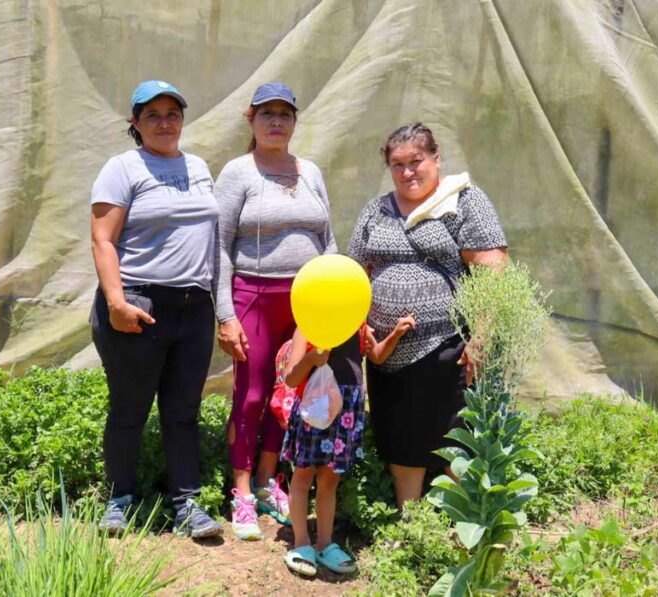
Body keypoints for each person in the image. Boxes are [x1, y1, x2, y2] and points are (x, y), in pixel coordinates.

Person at [347, 122, 508, 508]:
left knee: (453, 432)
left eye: (416, 161)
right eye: (398, 164)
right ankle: (411, 520)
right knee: (400, 432)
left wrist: (483, 333)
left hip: (448, 344)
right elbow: (354, 270)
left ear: (436, 158)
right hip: (386, 351)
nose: (407, 172)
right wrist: (360, 324)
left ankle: (457, 517)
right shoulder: (377, 210)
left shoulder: (463, 201)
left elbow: (493, 268)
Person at [90, 80, 222, 539]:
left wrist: (221, 309)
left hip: (194, 307)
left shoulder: (198, 167)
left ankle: (187, 504)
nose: (165, 123)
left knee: (183, 411)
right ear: (135, 122)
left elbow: (211, 240)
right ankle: (118, 500)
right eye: (153, 115)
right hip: (139, 303)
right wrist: (116, 303)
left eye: (172, 114)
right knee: (129, 408)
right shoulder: (122, 168)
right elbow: (103, 239)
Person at [214, 82, 338, 540]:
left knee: (289, 394)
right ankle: (242, 492)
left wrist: (333, 302)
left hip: (306, 300)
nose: (276, 122)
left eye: (285, 114)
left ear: (294, 121)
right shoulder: (237, 173)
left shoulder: (310, 172)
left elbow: (328, 241)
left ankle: (269, 481)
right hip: (254, 294)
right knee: (250, 393)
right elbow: (218, 247)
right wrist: (225, 314)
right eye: (266, 113)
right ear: (250, 119)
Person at [279, 317, 413, 576]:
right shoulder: (309, 325)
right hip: (315, 410)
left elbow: (376, 355)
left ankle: (324, 543)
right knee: (303, 476)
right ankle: (301, 542)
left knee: (330, 480)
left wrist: (395, 333)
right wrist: (311, 359)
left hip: (346, 412)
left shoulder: (357, 324)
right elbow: (291, 378)